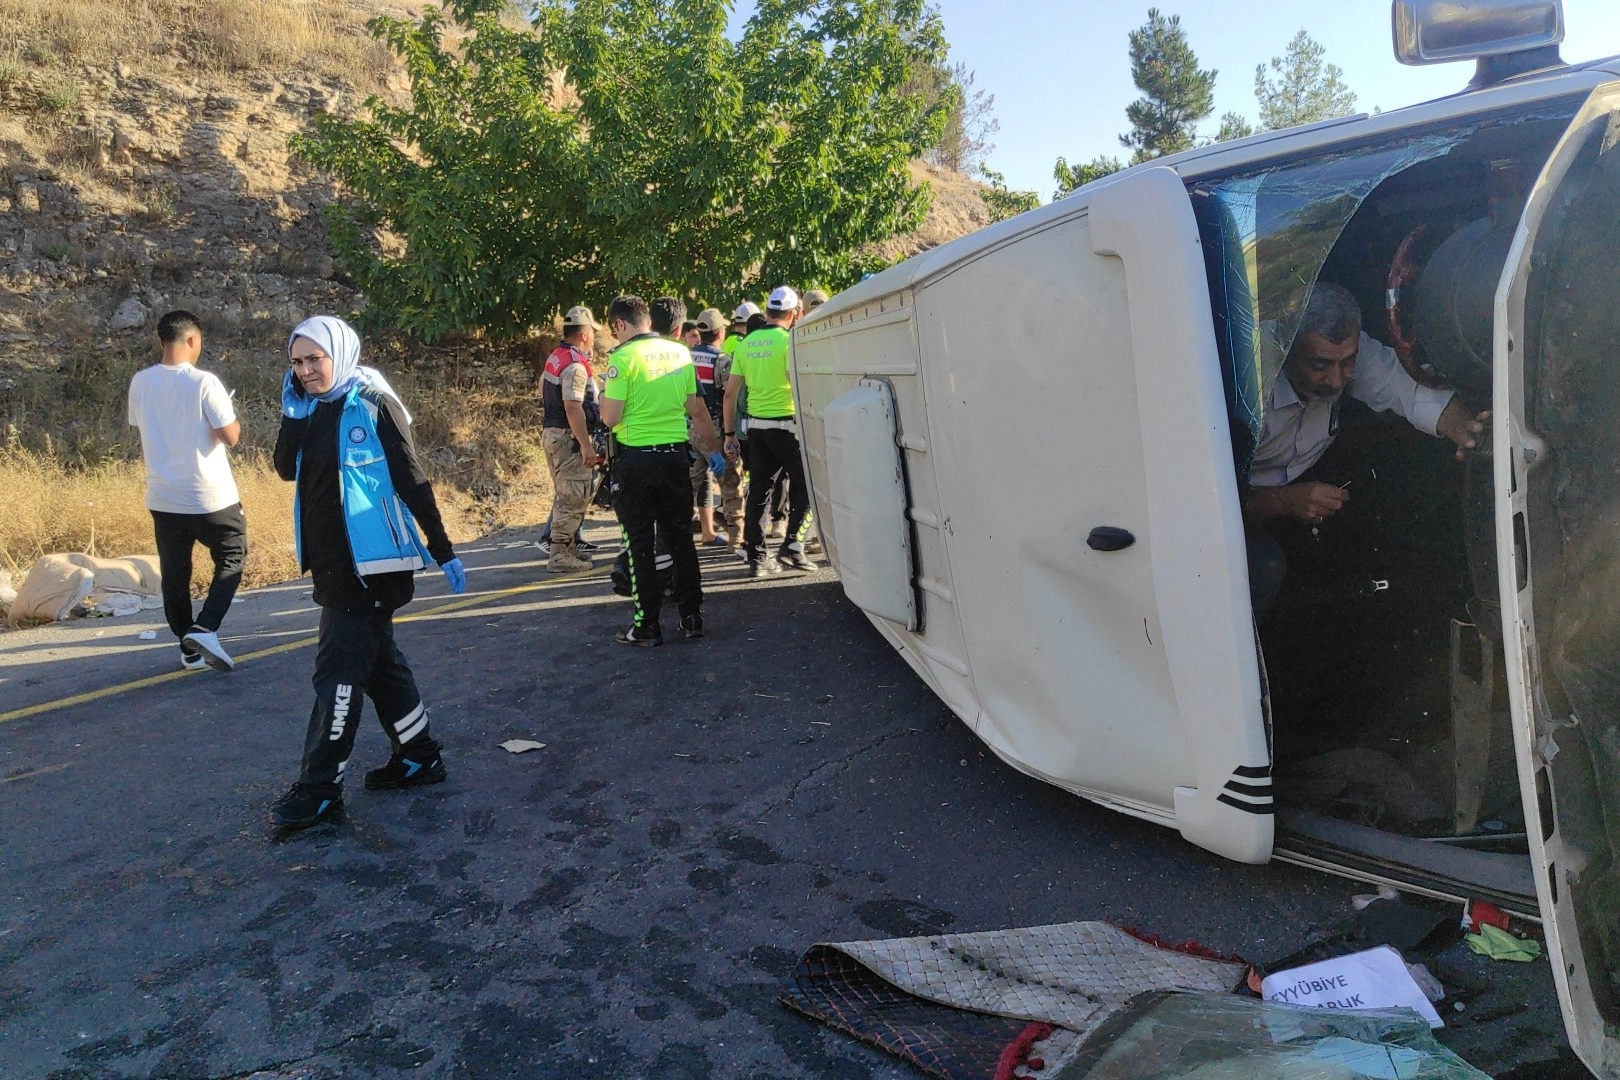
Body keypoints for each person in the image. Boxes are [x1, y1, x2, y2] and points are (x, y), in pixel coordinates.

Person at [269, 316, 467, 831]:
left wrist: (442, 548)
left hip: (371, 569)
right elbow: (286, 468)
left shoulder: (373, 404)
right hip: (332, 563)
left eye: (315, 359)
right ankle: (419, 755)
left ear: (340, 353)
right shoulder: (312, 407)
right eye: (297, 362)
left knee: (336, 676)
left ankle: (320, 789)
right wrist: (292, 415)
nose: (306, 371)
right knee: (379, 664)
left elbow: (412, 479)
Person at [1245, 282, 1488, 614]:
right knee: (1265, 567)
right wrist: (1281, 501)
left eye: (1347, 363)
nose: (1336, 380)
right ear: (1285, 348)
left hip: (1305, 483)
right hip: (1233, 509)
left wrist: (1471, 432)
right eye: (1319, 366)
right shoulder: (1245, 379)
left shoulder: (1348, 356)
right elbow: (1202, 506)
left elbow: (1404, 389)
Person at [127, 310, 248, 673]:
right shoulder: (204, 382)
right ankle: (206, 628)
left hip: (163, 496)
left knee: (175, 573)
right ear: (193, 340)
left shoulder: (140, 382)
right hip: (210, 495)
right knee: (232, 555)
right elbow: (231, 436)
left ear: (161, 341)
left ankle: (188, 648)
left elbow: (143, 424)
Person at [601, 295, 724, 646]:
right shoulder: (680, 353)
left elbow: (610, 417)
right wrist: (715, 449)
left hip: (635, 462)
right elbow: (696, 410)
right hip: (674, 459)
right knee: (681, 539)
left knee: (639, 544)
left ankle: (647, 625)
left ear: (621, 324)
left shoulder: (622, 358)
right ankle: (692, 615)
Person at [722, 286, 813, 576]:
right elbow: (796, 384)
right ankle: (793, 545)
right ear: (794, 313)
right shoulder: (789, 342)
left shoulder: (746, 344)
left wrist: (729, 435)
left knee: (759, 492)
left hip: (756, 428)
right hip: (787, 426)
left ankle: (758, 558)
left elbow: (730, 394)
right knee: (808, 485)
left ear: (768, 311)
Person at [541, 306, 603, 573]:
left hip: (553, 433)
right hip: (569, 438)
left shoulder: (557, 357)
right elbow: (572, 406)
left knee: (566, 493)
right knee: (573, 496)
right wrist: (586, 445)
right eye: (593, 333)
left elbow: (543, 390)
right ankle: (559, 554)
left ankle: (567, 547)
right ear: (585, 335)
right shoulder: (576, 366)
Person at [694, 307, 746, 549]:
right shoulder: (722, 360)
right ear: (720, 332)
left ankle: (673, 539)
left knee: (688, 485)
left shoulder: (686, 356)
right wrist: (730, 434)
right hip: (714, 428)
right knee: (731, 482)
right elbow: (729, 396)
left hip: (688, 428)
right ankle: (736, 538)